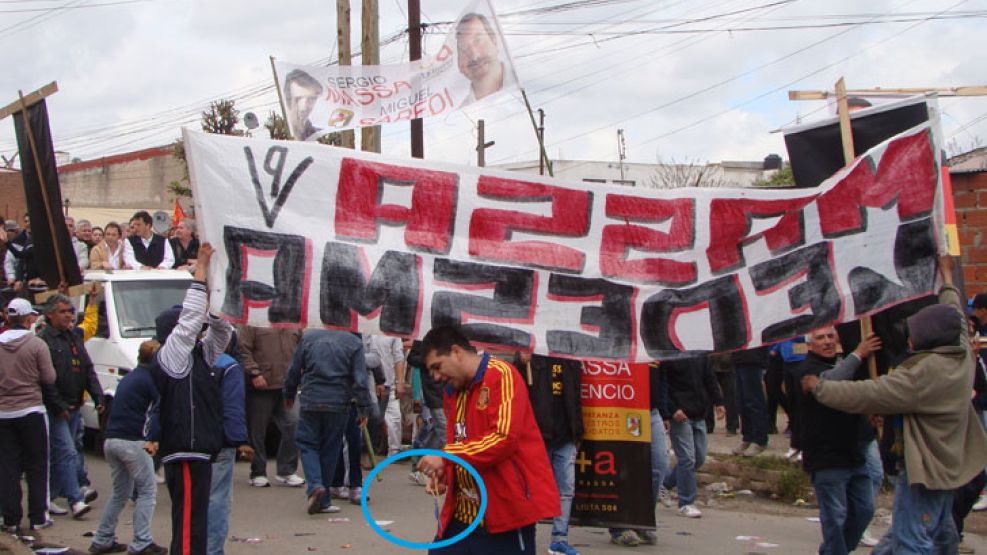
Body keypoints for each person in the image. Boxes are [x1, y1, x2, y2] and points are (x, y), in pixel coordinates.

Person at [803, 256, 987, 554]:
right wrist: (948, 278)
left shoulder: (922, 375)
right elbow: (954, 312)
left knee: (912, 540)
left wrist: (820, 387)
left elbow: (867, 394)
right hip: (951, 466)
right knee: (940, 534)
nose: (908, 339)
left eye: (914, 333)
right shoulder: (961, 354)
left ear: (927, 339)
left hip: (926, 472)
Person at [416, 326, 559, 554]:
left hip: (504, 514)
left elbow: (502, 439)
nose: (436, 376)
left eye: (437, 366)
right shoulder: (453, 391)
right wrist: (446, 474)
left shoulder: (501, 374)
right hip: (460, 516)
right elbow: (462, 441)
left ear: (456, 352)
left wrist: (446, 457)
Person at [149, 242, 231, 555]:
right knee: (187, 524)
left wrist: (216, 307)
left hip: (200, 449)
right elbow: (189, 323)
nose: (198, 330)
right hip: (184, 449)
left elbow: (222, 336)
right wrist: (200, 270)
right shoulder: (171, 356)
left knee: (196, 521)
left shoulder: (198, 356)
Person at [794, 327, 881, 554]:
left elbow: (857, 395)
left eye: (831, 336)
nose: (827, 342)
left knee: (864, 509)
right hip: (826, 457)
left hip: (854, 452)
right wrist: (858, 354)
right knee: (836, 517)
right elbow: (830, 383)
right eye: (820, 338)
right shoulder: (805, 371)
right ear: (810, 345)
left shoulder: (846, 365)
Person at [284, 329, 375, 514]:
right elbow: (360, 378)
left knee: (307, 444)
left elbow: (294, 368)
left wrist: (289, 391)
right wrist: (364, 408)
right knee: (331, 449)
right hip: (339, 402)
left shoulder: (309, 338)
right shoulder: (353, 342)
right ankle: (323, 499)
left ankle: (316, 486)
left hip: (311, 398)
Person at [89, 340, 166, 555]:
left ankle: (102, 539)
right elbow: (158, 410)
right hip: (133, 441)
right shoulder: (151, 380)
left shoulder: (130, 377)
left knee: (120, 493)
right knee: (147, 491)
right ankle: (142, 542)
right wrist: (154, 438)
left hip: (111, 440)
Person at [39, 293, 102, 518]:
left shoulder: (74, 337)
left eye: (70, 311)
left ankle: (49, 497)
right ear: (50, 314)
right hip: (57, 409)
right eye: (63, 312)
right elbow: (46, 380)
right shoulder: (44, 339)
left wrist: (98, 396)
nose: (68, 316)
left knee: (67, 452)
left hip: (76, 405)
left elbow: (87, 368)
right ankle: (76, 500)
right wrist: (58, 405)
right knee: (66, 451)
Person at [0, 298, 56, 534]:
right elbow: (49, 377)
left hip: (3, 412)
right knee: (37, 465)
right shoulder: (36, 345)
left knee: (7, 466)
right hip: (31, 410)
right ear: (26, 319)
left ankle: (10, 518)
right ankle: (38, 517)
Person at [518, 353, 584, 555]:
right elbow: (517, 389)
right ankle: (527, 537)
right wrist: (521, 363)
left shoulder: (571, 360)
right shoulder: (532, 355)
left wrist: (578, 432)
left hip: (566, 435)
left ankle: (560, 538)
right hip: (539, 435)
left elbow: (576, 397)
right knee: (533, 489)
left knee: (566, 489)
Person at [236, 325, 304, 488]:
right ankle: (258, 472)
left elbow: (302, 348)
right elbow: (242, 349)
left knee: (294, 423)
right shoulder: (253, 320)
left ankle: (286, 470)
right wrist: (254, 373)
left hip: (287, 386)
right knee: (257, 431)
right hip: (260, 386)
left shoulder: (292, 321)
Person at [662, 355, 724, 519]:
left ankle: (665, 484)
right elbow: (663, 385)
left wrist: (719, 402)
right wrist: (672, 409)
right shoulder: (669, 355)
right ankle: (686, 502)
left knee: (699, 457)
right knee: (687, 458)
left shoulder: (699, 353)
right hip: (680, 415)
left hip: (698, 412)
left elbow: (709, 378)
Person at [206, 346, 254, 555]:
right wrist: (240, 440)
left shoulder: (181, 359)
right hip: (218, 442)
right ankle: (212, 550)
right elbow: (233, 407)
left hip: (187, 442)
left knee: (190, 499)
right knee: (217, 498)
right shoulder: (227, 366)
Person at [455, 13, 513, 105]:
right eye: (464, 49)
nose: (474, 55)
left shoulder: (523, 85)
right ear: (459, 63)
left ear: (494, 41)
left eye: (478, 41)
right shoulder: (460, 115)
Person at [365, 334, 407, 457]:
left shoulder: (393, 333)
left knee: (395, 418)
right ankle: (367, 452)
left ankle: (394, 452)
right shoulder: (365, 332)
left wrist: (400, 382)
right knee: (372, 418)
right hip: (368, 384)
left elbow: (398, 358)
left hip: (389, 383)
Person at [731, 346, 770, 456]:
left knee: (753, 401)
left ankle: (760, 440)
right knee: (741, 402)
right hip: (739, 359)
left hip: (753, 359)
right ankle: (747, 437)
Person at [283, 69, 323, 141]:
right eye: (298, 99)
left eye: (311, 99)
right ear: (288, 101)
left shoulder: (320, 136)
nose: (303, 107)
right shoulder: (278, 135)